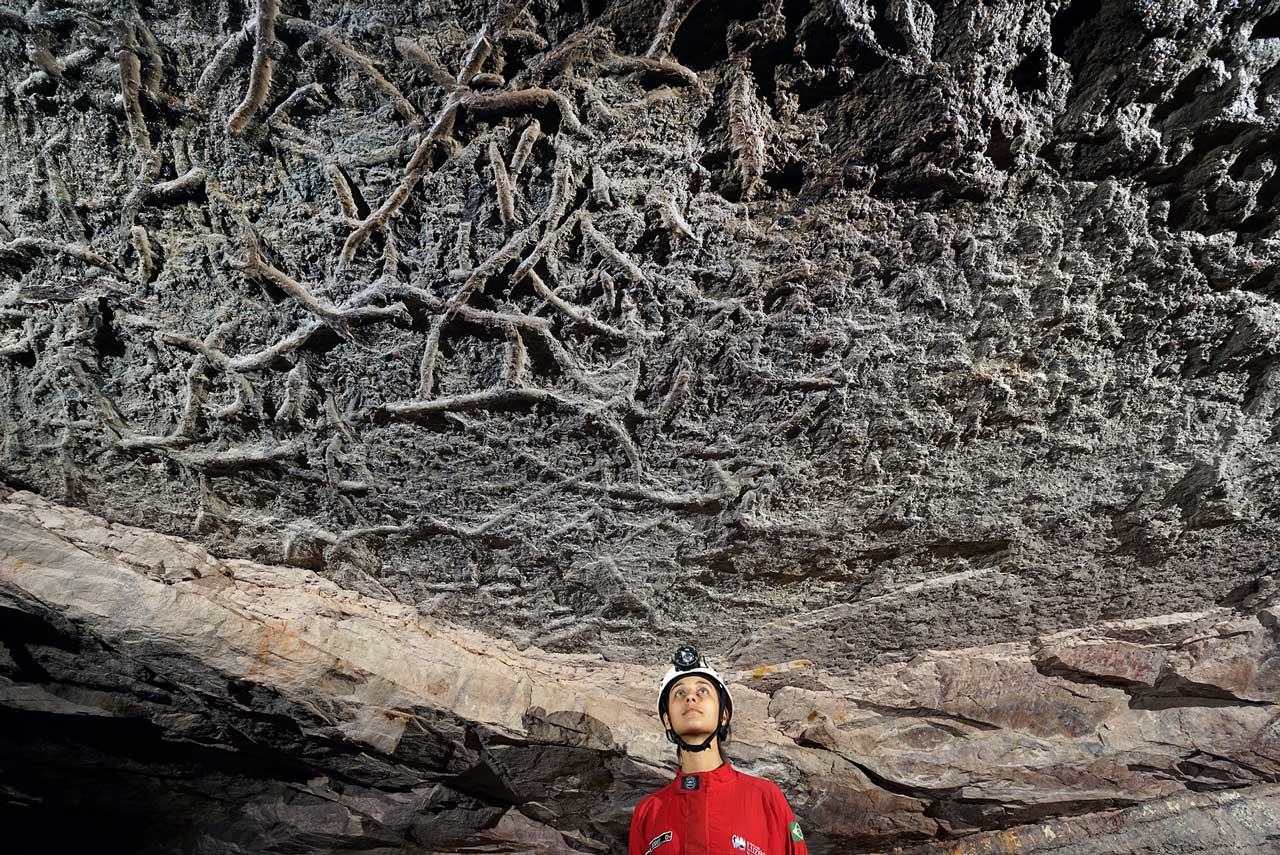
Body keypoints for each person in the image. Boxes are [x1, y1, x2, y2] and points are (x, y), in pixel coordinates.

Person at [628, 646, 810, 855]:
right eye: (679, 693)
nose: (690, 698)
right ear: (668, 720)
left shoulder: (766, 798)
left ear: (723, 715)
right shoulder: (648, 813)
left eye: (702, 691)